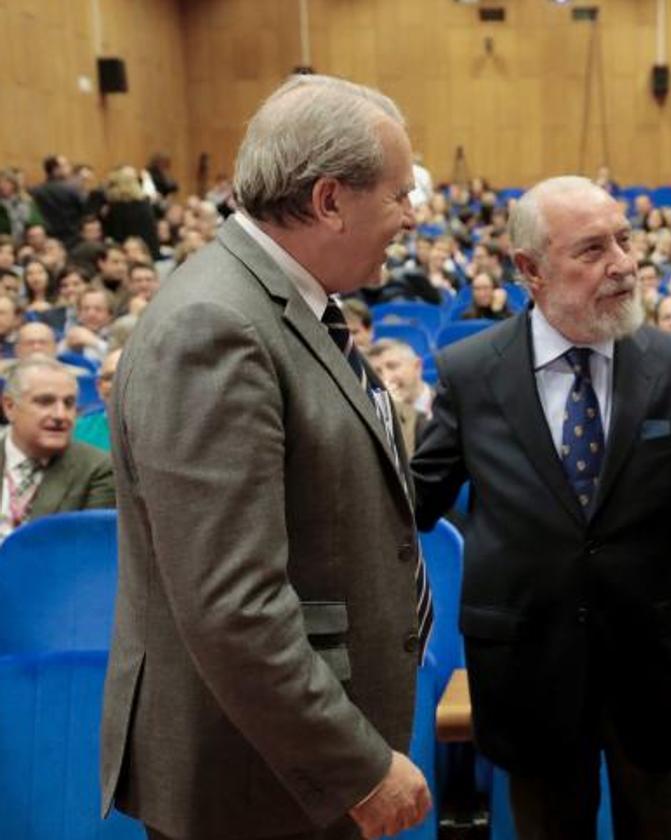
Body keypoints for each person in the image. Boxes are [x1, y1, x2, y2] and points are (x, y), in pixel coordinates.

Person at [100, 74, 432, 840]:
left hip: (284, 771)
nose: (412, 218)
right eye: (399, 195)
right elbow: (233, 605)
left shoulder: (278, 303)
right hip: (259, 785)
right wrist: (354, 764)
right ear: (328, 200)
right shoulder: (216, 326)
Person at [411, 175, 671, 840]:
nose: (623, 263)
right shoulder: (471, 371)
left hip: (651, 671)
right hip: (529, 674)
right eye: (592, 250)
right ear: (530, 269)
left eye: (624, 241)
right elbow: (417, 503)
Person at [0, 356, 114, 544]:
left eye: (69, 403)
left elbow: (84, 554)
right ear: (10, 407)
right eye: (45, 402)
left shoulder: (98, 470)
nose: (61, 415)